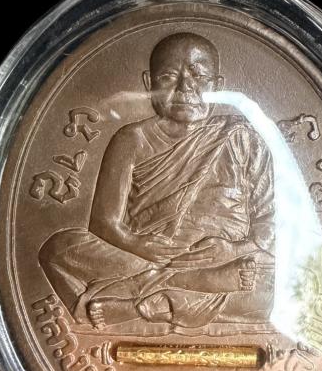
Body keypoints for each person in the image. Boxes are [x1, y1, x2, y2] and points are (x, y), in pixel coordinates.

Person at [39, 32, 275, 334]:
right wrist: (137, 244)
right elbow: (104, 223)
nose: (185, 88)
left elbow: (271, 225)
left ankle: (139, 301)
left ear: (217, 86)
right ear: (149, 83)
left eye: (199, 77)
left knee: (281, 280)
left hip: (222, 259)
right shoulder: (131, 139)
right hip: (147, 256)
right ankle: (185, 288)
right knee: (58, 249)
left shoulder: (243, 137)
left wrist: (231, 250)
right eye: (169, 77)